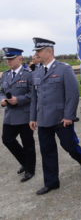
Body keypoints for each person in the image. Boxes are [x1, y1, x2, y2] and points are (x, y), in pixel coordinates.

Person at [29, 38, 81, 195]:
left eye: (39, 51)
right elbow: (34, 97)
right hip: (43, 119)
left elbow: (73, 94)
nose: (36, 54)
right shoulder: (37, 72)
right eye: (36, 51)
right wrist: (32, 117)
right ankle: (51, 182)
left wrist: (69, 116)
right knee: (47, 151)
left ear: (49, 51)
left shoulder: (64, 69)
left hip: (61, 118)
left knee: (69, 145)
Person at [0, 47, 36, 183]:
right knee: (7, 139)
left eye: (11, 58)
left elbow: (33, 94)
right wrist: (2, 101)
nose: (8, 61)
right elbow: (1, 91)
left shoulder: (28, 74)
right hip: (10, 115)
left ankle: (30, 169)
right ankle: (25, 162)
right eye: (7, 59)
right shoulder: (6, 74)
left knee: (28, 143)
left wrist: (18, 100)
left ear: (19, 58)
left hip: (24, 114)